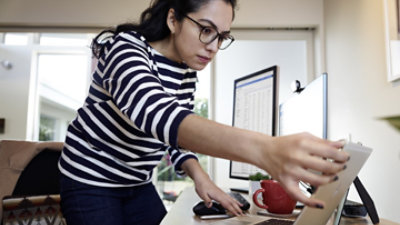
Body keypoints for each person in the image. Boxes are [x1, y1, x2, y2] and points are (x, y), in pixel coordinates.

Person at [58, 0, 349, 224]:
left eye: (221, 36)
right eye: (206, 30)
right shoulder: (126, 49)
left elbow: (175, 135)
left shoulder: (186, 72)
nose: (213, 47)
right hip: (90, 179)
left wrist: (201, 177)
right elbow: (155, 113)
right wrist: (264, 149)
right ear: (173, 19)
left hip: (137, 181)